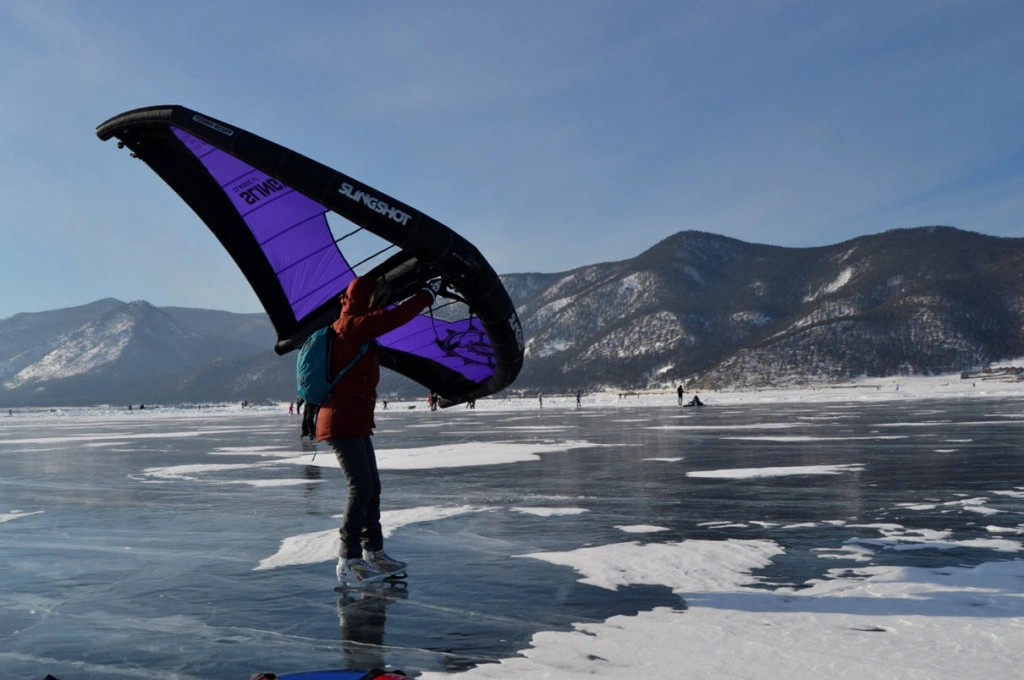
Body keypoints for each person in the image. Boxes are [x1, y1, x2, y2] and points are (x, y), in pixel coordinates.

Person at [317, 276, 434, 586]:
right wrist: (425, 295)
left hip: (354, 419)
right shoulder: (351, 325)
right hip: (341, 421)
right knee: (360, 488)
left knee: (373, 486)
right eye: (376, 298)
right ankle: (348, 559)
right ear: (364, 300)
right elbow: (392, 319)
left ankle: (375, 553)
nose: (380, 303)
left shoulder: (357, 326)